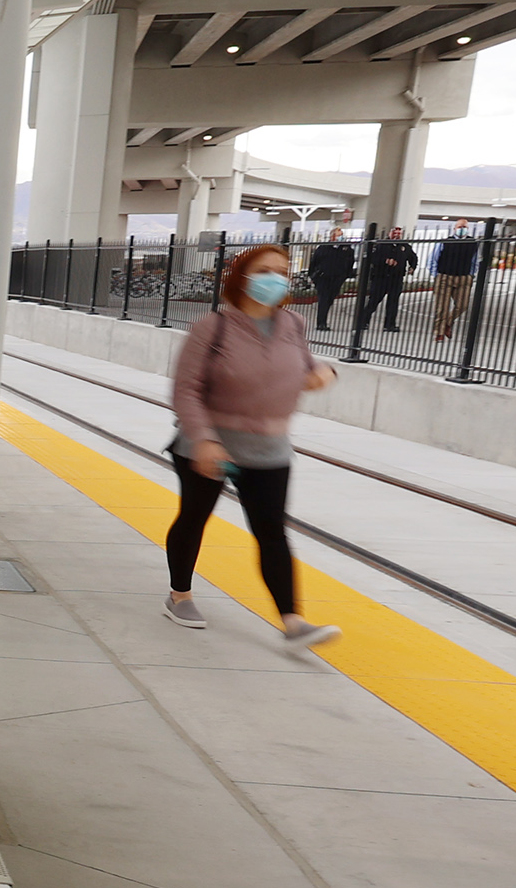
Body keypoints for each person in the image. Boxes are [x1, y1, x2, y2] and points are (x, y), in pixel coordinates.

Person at [163, 243, 343, 650]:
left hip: (270, 447)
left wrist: (323, 371)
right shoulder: (213, 327)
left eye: (281, 271)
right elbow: (186, 391)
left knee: (272, 532)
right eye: (264, 270)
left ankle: (293, 621)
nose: (274, 279)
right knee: (194, 518)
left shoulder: (293, 324)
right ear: (242, 277)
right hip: (208, 445)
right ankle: (179, 595)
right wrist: (205, 441)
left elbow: (304, 364)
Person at [359, 232, 418, 333]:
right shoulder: (381, 245)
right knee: (374, 300)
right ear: (390, 234)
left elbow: (413, 258)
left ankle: (390, 324)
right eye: (394, 233)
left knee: (393, 302)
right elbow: (373, 258)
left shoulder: (404, 246)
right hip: (381, 278)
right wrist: (385, 261)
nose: (396, 235)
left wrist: (412, 267)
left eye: (399, 234)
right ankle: (363, 322)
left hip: (396, 278)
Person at [430, 234, 481, 342]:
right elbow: (434, 258)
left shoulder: (473, 243)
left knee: (462, 305)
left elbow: (475, 260)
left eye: (464, 226)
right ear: (455, 229)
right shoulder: (445, 241)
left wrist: (471, 275)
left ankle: (448, 323)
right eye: (460, 226)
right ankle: (439, 333)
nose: (462, 228)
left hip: (463, 277)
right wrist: (436, 275)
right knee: (442, 307)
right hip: (445, 276)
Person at [306, 234, 355, 335]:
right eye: (338, 235)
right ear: (332, 236)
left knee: (330, 299)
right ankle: (321, 323)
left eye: (341, 235)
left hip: (337, 278)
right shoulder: (323, 248)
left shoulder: (346, 249)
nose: (340, 237)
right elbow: (314, 262)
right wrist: (313, 276)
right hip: (323, 278)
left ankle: (323, 319)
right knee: (323, 299)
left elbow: (350, 262)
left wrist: (345, 275)